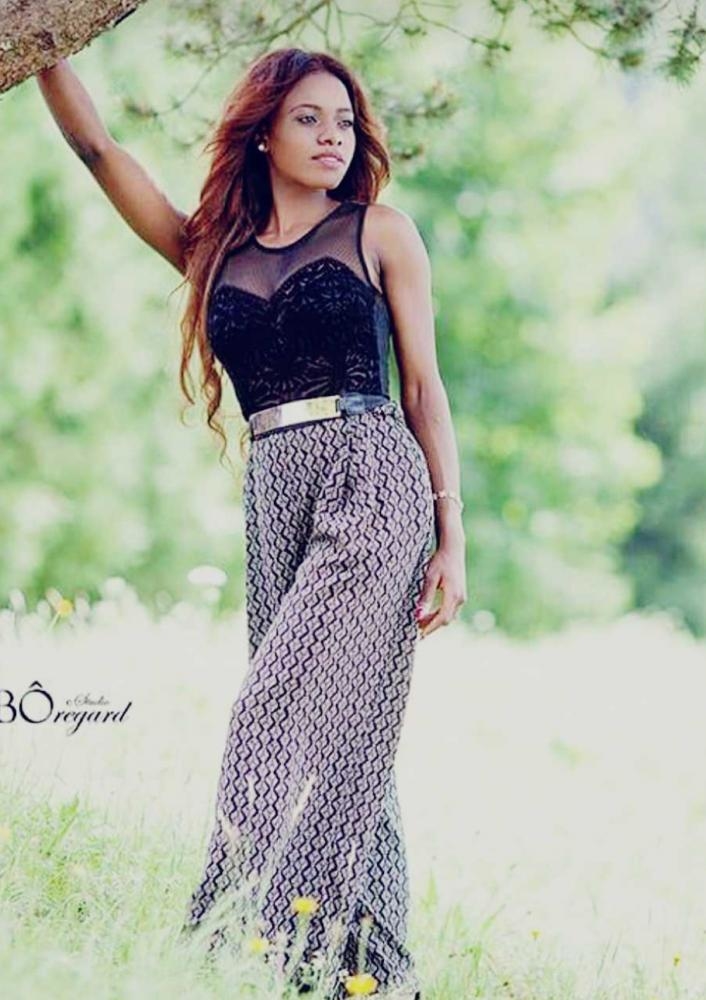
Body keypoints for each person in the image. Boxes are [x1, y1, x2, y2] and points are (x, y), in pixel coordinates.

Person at [36, 45, 466, 1000]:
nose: (332, 137)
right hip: (276, 491)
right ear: (264, 132)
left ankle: (238, 942)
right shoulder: (212, 249)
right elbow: (100, 151)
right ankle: (375, 972)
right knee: (346, 732)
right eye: (309, 118)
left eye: (344, 122)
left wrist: (453, 537)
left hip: (372, 476)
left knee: (271, 712)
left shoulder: (380, 231)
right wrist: (38, 38)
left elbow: (425, 389)